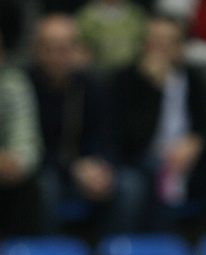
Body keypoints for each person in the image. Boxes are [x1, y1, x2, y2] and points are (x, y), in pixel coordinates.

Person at [111, 13, 206, 233]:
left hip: (189, 162)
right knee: (155, 169)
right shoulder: (127, 80)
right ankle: (162, 242)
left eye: (167, 42)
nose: (160, 49)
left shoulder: (195, 79)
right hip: (145, 159)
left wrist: (195, 143)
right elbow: (130, 137)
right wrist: (153, 89)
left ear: (180, 46)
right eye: (154, 42)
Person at [27, 13, 143, 237]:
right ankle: (50, 252)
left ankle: (112, 253)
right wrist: (72, 168)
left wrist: (102, 167)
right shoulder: (25, 87)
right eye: (51, 48)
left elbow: (109, 135)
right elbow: (30, 147)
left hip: (89, 170)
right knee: (45, 186)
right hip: (49, 169)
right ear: (37, 51)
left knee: (131, 185)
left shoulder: (93, 86)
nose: (60, 56)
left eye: (66, 48)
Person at [0, 21, 43, 237]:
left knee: (35, 186)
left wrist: (18, 162)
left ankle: (26, 253)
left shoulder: (13, 83)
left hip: (9, 174)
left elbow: (27, 138)